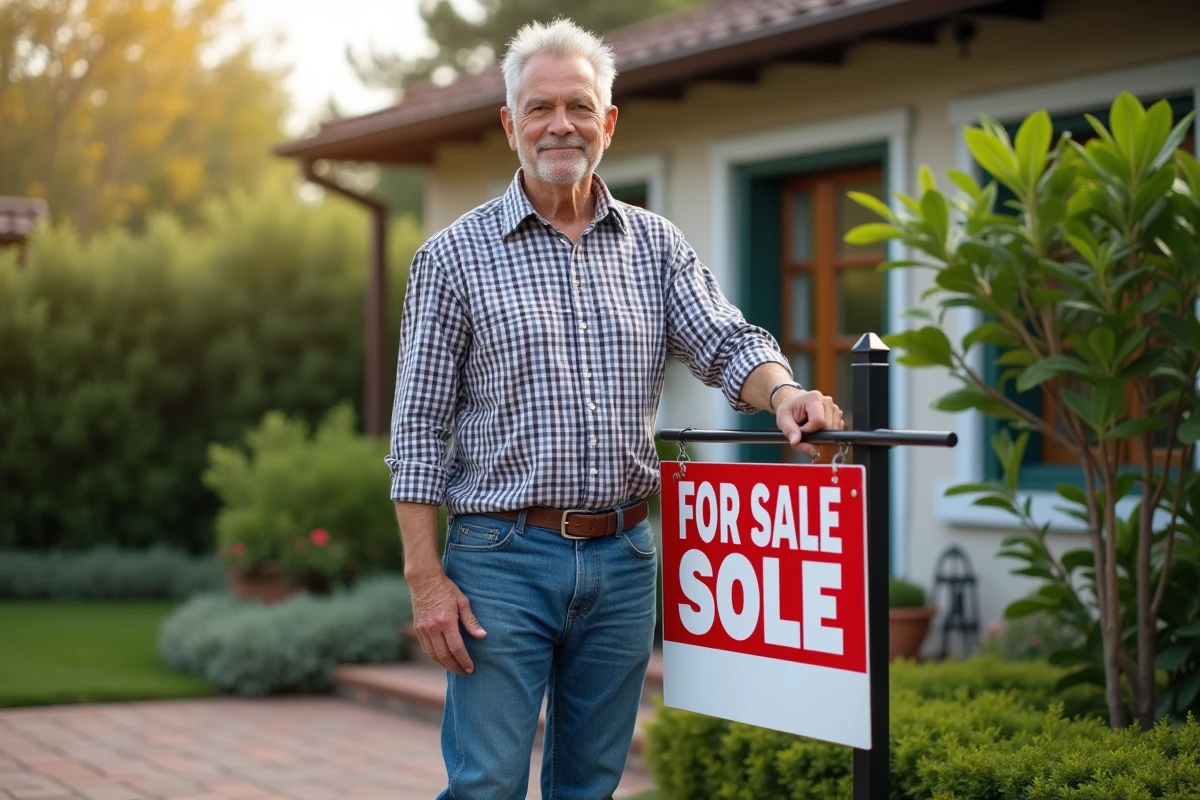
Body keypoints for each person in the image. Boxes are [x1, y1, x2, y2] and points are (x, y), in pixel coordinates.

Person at [386, 17, 844, 800]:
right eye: (539, 108)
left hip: (625, 557)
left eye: (578, 105)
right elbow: (417, 432)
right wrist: (426, 579)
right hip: (501, 560)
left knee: (591, 785)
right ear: (509, 124)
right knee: (488, 784)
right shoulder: (451, 258)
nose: (560, 124)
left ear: (608, 121)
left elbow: (727, 342)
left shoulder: (655, 246)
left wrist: (789, 393)